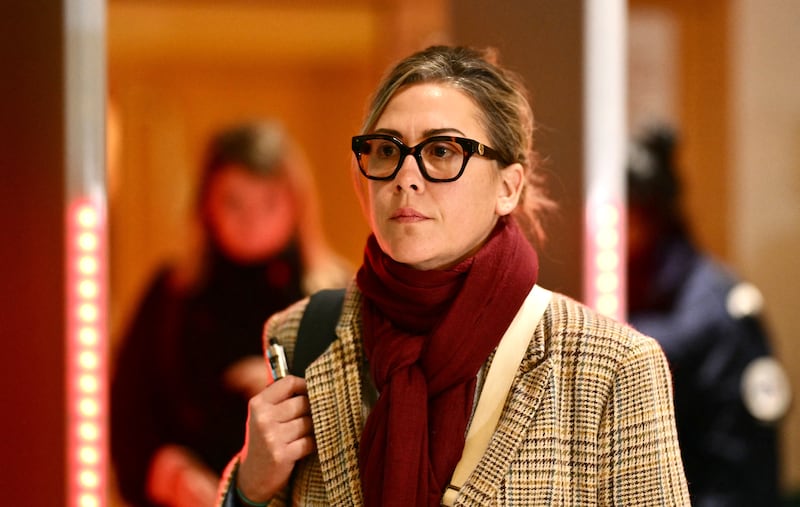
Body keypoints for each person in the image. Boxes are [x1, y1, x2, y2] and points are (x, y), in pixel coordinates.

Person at [217, 45, 690, 507]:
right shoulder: (304, 336)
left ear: (508, 187)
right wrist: (250, 491)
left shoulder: (610, 367)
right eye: (385, 150)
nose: (405, 175)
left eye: (442, 150)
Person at [111, 119, 352, 507]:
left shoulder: (334, 296)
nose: (252, 221)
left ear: (297, 205)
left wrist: (290, 382)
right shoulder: (174, 293)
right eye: (234, 202)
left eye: (269, 202)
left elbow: (362, 416)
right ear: (206, 205)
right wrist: (165, 470)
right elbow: (128, 412)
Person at [625, 124, 791, 506]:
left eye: (627, 213)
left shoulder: (716, 313)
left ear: (649, 213)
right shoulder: (627, 290)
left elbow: (741, 477)